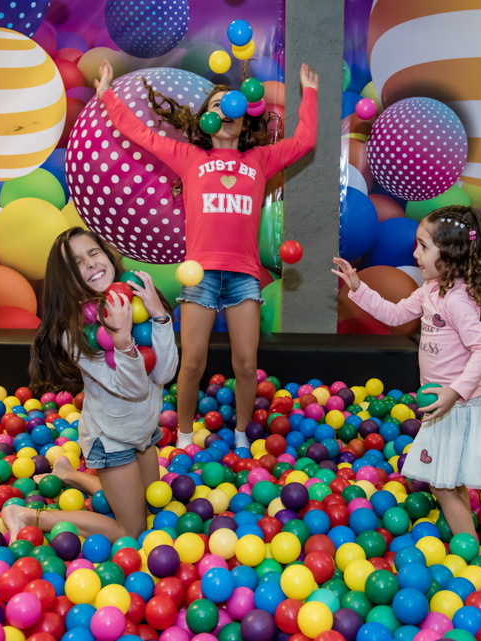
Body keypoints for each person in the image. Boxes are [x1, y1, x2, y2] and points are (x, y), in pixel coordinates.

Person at [93, 59, 318, 452]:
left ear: (244, 120)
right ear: (206, 120)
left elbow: (304, 142)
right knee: (192, 363)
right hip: (200, 276)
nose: (225, 110)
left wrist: (309, 92)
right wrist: (107, 94)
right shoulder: (190, 158)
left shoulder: (259, 161)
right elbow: (138, 133)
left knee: (245, 365)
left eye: (232, 105)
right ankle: (183, 437)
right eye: (216, 105)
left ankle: (242, 434)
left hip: (243, 276)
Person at [332, 205, 481, 539]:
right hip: (441, 407)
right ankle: (467, 536)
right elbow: (395, 315)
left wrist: (454, 391)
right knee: (449, 480)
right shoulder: (431, 290)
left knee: (442, 485)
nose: (415, 254)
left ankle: (468, 548)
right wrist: (358, 287)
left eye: (424, 246)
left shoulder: (456, 300)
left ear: (451, 253)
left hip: (457, 408)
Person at [1, 227, 178, 542]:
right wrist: (122, 340)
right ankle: (27, 515)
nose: (91, 263)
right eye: (77, 263)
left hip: (143, 429)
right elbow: (135, 389)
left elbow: (164, 374)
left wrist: (159, 316)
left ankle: (68, 474)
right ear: (67, 279)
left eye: (94, 253)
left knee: (152, 505)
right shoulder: (75, 332)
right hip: (111, 440)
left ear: (107, 255)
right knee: (133, 530)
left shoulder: (135, 304)